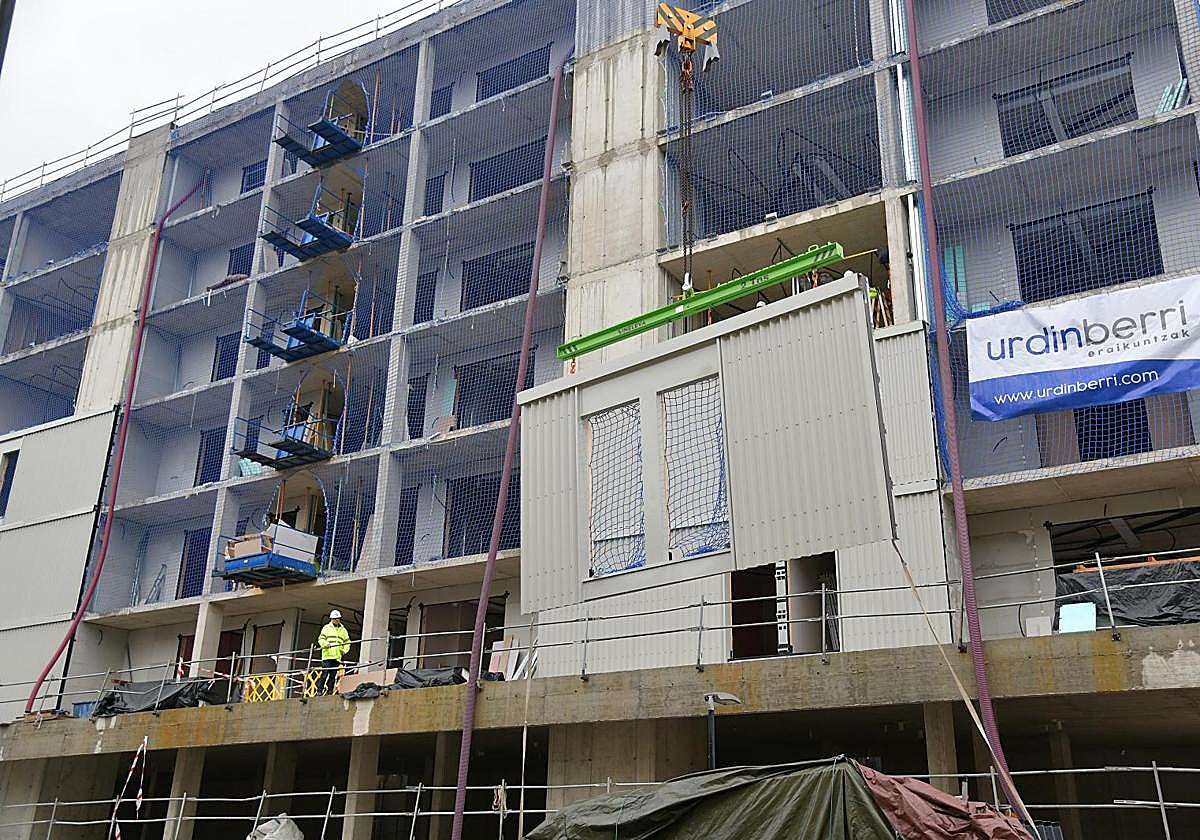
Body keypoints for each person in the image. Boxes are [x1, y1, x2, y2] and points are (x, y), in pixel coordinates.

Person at [316, 609, 351, 695]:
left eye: (337, 618)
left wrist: (344, 650)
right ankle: (319, 690)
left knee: (333, 675)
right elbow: (321, 639)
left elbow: (347, 642)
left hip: (337, 656)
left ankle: (330, 691)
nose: (335, 620)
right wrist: (325, 644)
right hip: (327, 656)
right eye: (334, 619)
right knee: (324, 674)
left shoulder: (343, 630)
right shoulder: (326, 628)